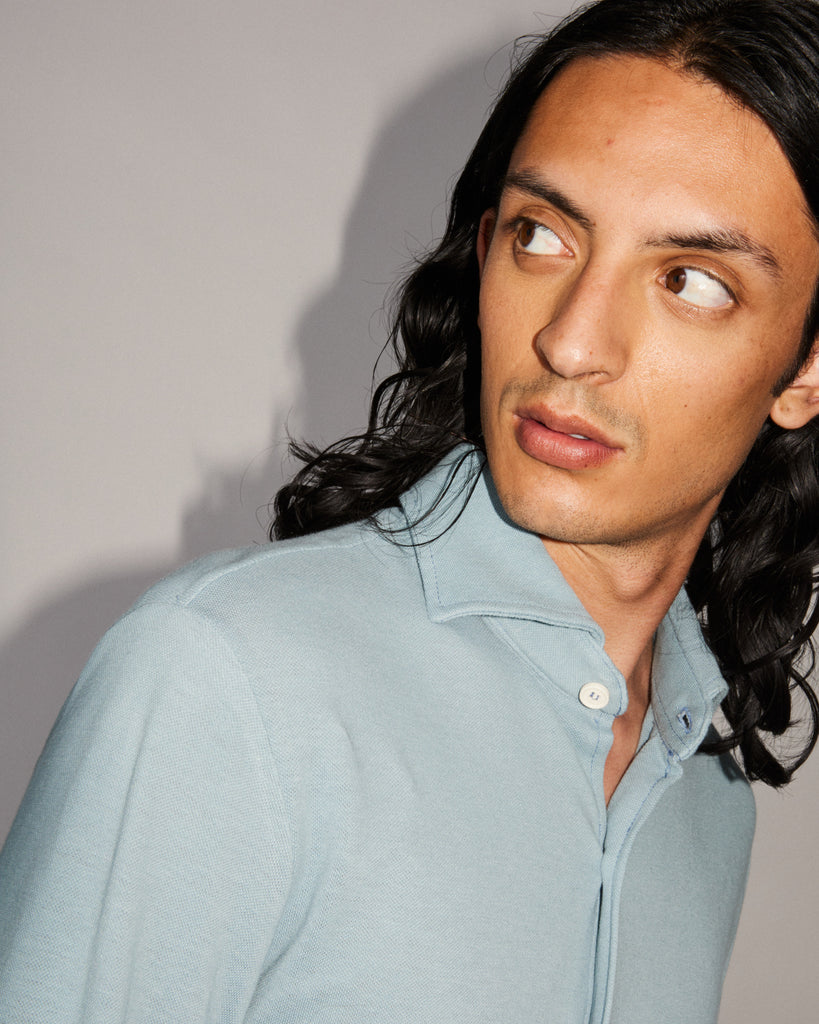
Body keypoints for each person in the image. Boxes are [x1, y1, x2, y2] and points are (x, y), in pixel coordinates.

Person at [2, 0, 819, 1020]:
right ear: (483, 252)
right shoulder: (220, 682)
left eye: (688, 281)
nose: (570, 342)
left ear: (805, 369)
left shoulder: (707, 800)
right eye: (541, 235)